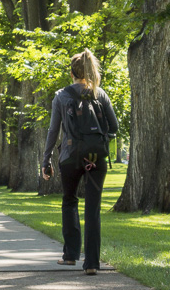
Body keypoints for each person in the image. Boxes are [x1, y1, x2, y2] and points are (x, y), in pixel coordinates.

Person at [41, 49, 119, 274]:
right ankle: (92, 264)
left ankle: (70, 255)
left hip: (70, 157)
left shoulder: (61, 96)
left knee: (69, 201)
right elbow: (113, 127)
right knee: (92, 209)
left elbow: (53, 131)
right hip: (95, 157)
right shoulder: (100, 94)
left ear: (72, 72)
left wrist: (46, 160)